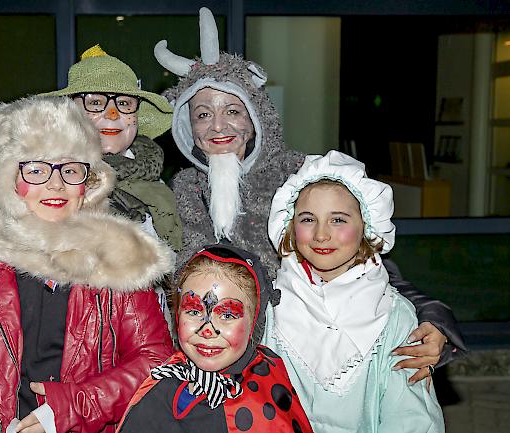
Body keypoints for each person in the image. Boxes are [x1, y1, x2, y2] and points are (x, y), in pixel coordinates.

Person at [154, 6, 466, 382]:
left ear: (256, 117)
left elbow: (366, 261)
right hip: (207, 365)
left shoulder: (300, 177)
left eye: (232, 110)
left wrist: (432, 317)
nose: (217, 125)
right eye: (202, 114)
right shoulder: (180, 192)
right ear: (187, 127)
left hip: (295, 364)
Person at [0, 96, 175, 433]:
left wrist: (73, 406)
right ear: (9, 182)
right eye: (36, 169)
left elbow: (155, 362)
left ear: (89, 183)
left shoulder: (117, 258)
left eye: (69, 169)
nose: (55, 184)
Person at [264, 150, 444, 432]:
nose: (321, 235)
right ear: (289, 224)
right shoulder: (269, 307)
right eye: (308, 219)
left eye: (338, 220)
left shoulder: (394, 316)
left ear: (367, 226)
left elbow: (410, 418)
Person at [116, 244, 314, 433]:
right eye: (193, 311)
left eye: (227, 315)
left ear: (254, 323)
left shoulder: (266, 386)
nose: (207, 330)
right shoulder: (162, 385)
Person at [42, 44, 182, 252]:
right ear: (70, 113)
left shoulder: (156, 181)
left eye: (124, 103)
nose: (112, 114)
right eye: (96, 102)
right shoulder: (46, 180)